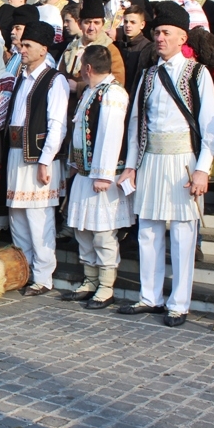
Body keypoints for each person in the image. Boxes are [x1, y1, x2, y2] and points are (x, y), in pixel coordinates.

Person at [117, 1, 214, 327]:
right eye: (157, 32)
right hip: (151, 161)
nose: (159, 38)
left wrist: (203, 168)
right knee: (147, 230)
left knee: (182, 234)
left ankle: (179, 303)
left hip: (183, 163)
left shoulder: (197, 74)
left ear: (182, 37)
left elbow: (210, 125)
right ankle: (150, 296)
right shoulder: (147, 75)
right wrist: (132, 165)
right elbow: (136, 123)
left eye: (165, 33)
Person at [62, 45, 133, 308]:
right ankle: (90, 279)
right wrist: (73, 161)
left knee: (103, 233)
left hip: (102, 176)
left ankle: (105, 285)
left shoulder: (112, 93)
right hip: (84, 171)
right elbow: (80, 129)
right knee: (82, 229)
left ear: (88, 68)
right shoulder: (91, 92)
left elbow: (111, 134)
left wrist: (103, 174)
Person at [3, 20, 70, 296]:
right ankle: (25, 269)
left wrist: (45, 160)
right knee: (17, 215)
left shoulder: (55, 80)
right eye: (22, 45)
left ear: (44, 49)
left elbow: (58, 124)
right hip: (16, 154)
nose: (22, 50)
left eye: (28, 46)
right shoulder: (21, 78)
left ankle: (43, 276)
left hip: (38, 157)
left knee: (38, 217)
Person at [116, 1, 156, 99]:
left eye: (133, 22)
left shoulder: (149, 48)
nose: (128, 25)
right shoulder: (118, 46)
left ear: (142, 25)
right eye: (125, 22)